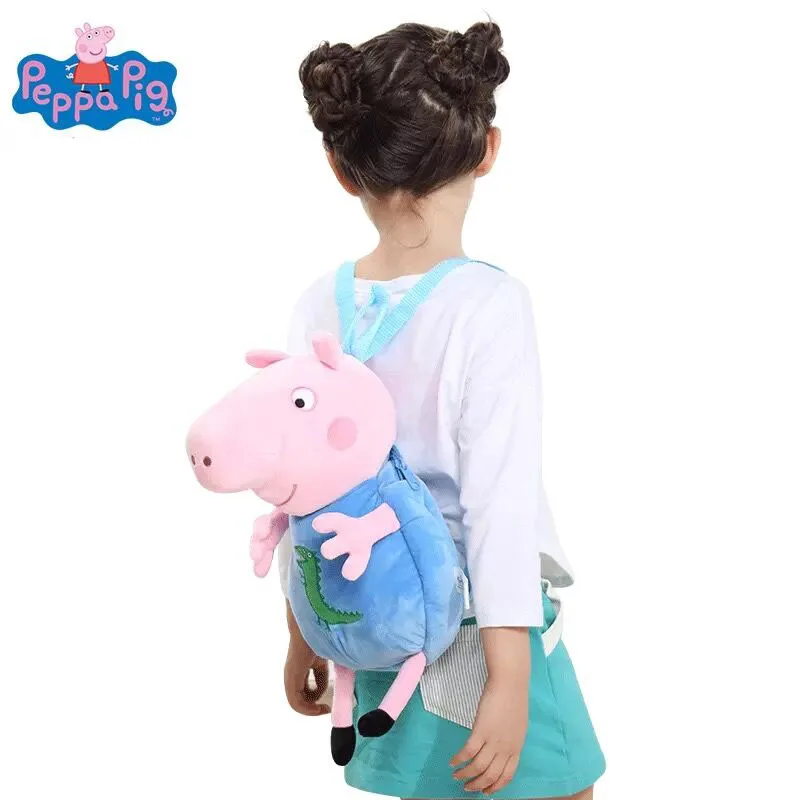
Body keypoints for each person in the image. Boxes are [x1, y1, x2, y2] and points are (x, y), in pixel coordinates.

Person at [276, 20, 605, 800]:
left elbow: (295, 489)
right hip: (478, 631)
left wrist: (301, 634)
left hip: (372, 628)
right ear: (488, 149)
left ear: (341, 168)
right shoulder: (489, 304)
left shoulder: (319, 304)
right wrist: (511, 678)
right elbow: (499, 501)